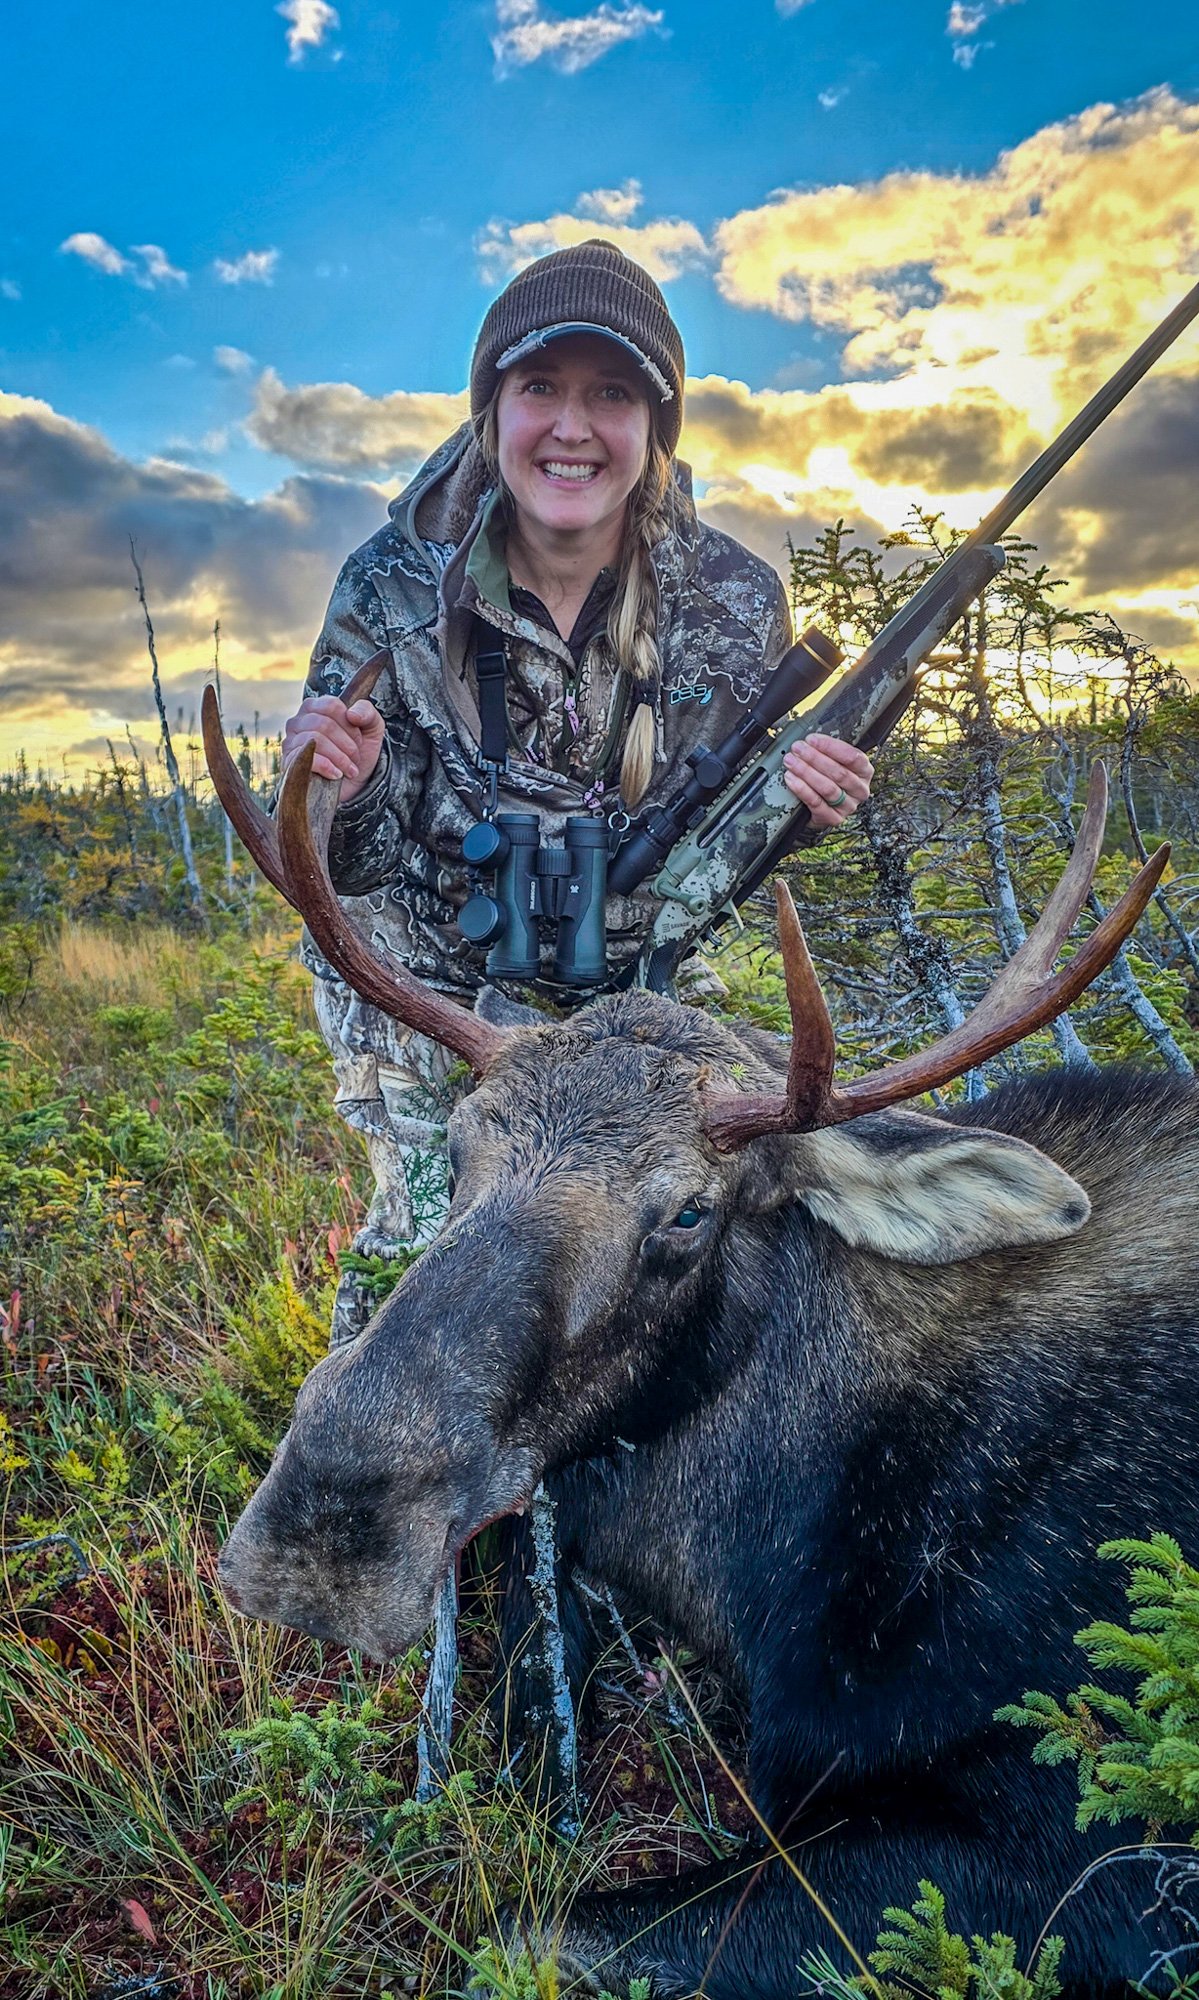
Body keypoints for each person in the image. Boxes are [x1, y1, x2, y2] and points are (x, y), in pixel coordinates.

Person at [280, 241, 874, 1343]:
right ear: (488, 410)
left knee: (621, 1266)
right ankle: (359, 1487)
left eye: (611, 394)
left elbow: (724, 835)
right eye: (539, 387)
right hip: (424, 981)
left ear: (653, 427)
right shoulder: (389, 583)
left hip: (621, 981)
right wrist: (344, 782)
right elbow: (347, 858)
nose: (571, 426)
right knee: (425, 1255)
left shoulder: (735, 599)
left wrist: (804, 802)